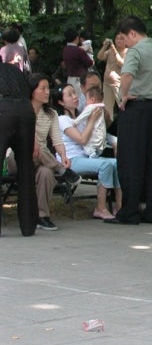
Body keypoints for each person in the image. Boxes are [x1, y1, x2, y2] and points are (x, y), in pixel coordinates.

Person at [107, 16, 152, 225]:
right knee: (151, 160)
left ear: (132, 33)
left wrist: (123, 96)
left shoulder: (136, 51)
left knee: (130, 160)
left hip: (135, 110)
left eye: (124, 38)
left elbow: (127, 75)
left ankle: (129, 212)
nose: (124, 44)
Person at [8, 74, 80, 231]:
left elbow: (57, 139)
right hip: (17, 157)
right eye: (43, 88)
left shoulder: (51, 114)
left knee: (46, 172)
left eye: (48, 88)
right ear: (33, 91)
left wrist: (64, 155)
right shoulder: (22, 110)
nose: (47, 92)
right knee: (34, 147)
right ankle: (61, 169)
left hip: (41, 159)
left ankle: (41, 216)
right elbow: (22, 137)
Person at [53, 83, 122, 221]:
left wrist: (114, 141)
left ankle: (120, 207)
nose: (75, 97)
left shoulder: (82, 116)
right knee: (105, 165)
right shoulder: (62, 120)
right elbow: (82, 139)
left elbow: (98, 132)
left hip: (87, 157)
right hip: (71, 160)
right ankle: (100, 208)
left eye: (74, 93)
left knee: (119, 163)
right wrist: (91, 120)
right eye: (70, 95)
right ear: (61, 102)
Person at [0, 62, 38, 236]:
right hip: (25, 111)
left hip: (3, 111)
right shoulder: (13, 70)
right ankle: (28, 225)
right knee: (26, 168)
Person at [97, 32, 127, 119]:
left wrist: (114, 49)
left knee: (122, 105)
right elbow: (100, 57)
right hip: (107, 83)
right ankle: (107, 127)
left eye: (121, 39)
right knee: (106, 108)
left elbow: (121, 63)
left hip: (119, 84)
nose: (118, 40)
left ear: (126, 41)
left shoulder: (127, 51)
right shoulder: (110, 51)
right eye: (117, 38)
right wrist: (104, 46)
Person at [74, 86, 107, 158]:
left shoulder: (91, 107)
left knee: (89, 146)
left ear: (92, 100)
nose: (86, 102)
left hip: (93, 136)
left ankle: (92, 155)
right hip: (101, 138)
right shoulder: (101, 109)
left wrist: (75, 122)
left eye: (87, 99)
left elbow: (83, 116)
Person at [62, 28, 93, 100]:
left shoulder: (65, 49)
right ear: (76, 38)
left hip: (70, 79)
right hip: (79, 79)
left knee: (72, 100)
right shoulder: (78, 50)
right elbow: (89, 63)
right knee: (80, 100)